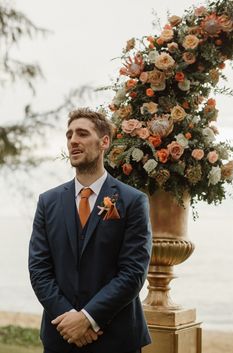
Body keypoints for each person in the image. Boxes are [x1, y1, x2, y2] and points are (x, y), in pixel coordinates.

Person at [28, 107, 152, 353]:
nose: (73, 140)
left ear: (104, 141)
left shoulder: (133, 201)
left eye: (83, 134)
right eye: (69, 135)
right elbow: (39, 269)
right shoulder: (47, 201)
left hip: (116, 339)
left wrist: (88, 318)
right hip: (60, 336)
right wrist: (69, 319)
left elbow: (134, 272)